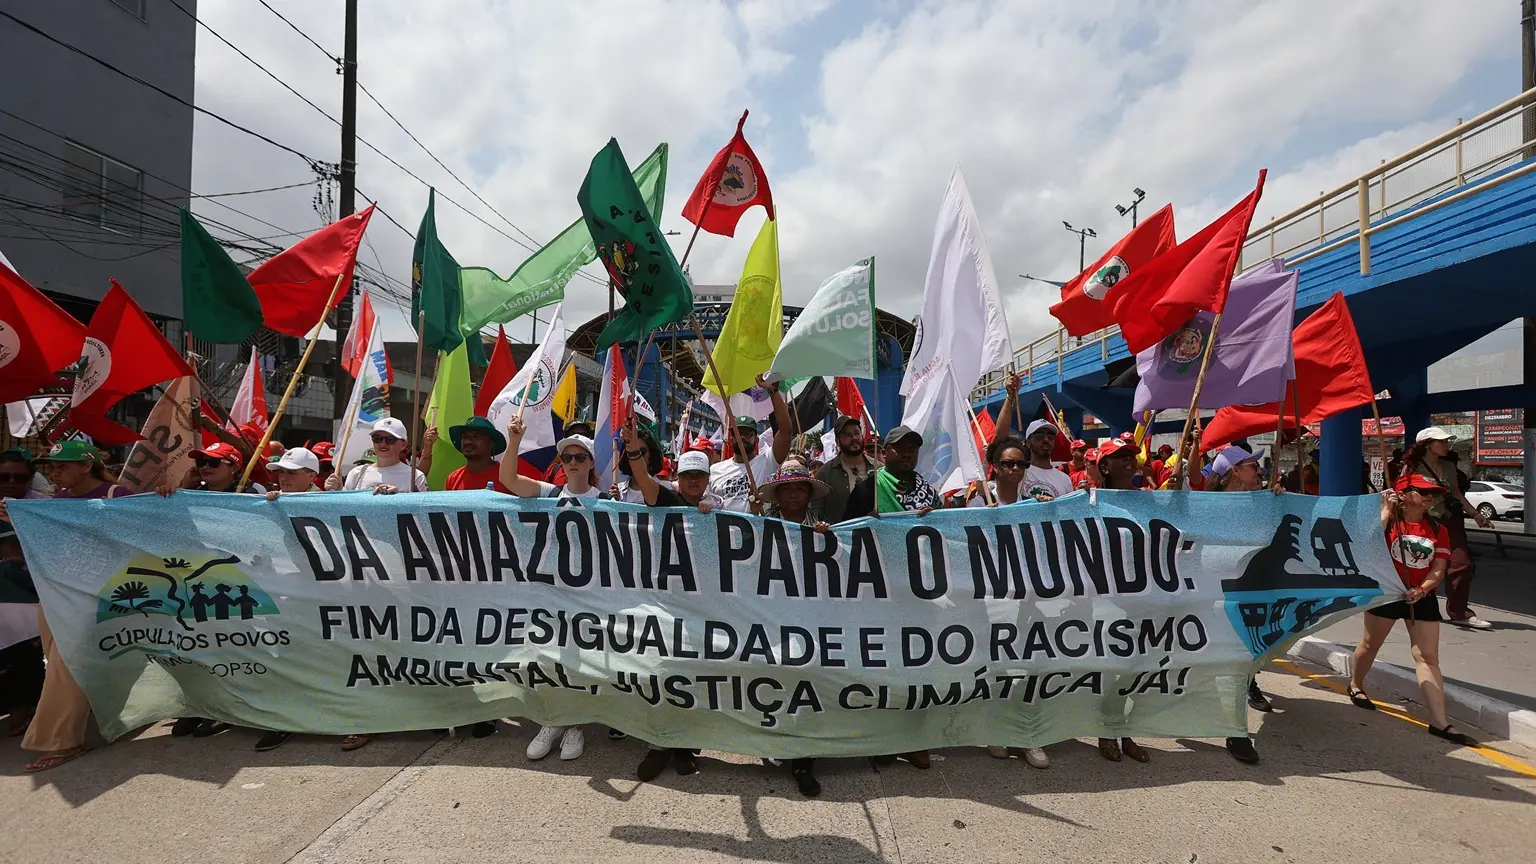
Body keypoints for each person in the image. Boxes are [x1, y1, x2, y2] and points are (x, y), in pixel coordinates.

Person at [10, 441, 127, 772]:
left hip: (95, 595)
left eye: (62, 466)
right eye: (52, 466)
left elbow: (140, 534)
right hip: (55, 592)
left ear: (86, 466)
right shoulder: (57, 501)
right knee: (57, 661)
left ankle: (63, 741)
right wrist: (21, 519)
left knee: (65, 664)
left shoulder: (115, 495)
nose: (54, 472)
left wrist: (163, 495)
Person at [501, 416, 608, 762]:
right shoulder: (550, 494)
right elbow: (508, 480)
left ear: (591, 462)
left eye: (580, 457)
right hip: (552, 593)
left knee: (582, 662)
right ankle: (553, 722)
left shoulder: (606, 500)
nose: (573, 463)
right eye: (567, 458)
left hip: (591, 594)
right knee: (550, 659)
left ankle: (575, 724)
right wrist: (514, 441)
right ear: (560, 464)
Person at [1347, 474, 1478, 747]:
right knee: (1370, 645)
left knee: (1427, 657)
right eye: (1423, 491)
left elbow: (1439, 567)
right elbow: (1364, 545)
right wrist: (1385, 510)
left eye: (1434, 493)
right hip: (1387, 591)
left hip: (1421, 595)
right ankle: (1356, 684)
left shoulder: (1438, 528)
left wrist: (1424, 589)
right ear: (1404, 495)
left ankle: (1440, 722)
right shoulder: (1389, 522)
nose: (1430, 497)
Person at [840, 426, 938, 770]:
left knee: (917, 665)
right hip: (879, 593)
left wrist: (934, 520)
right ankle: (884, 738)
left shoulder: (928, 491)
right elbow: (845, 538)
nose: (908, 453)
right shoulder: (869, 488)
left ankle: (914, 738)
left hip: (919, 593)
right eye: (901, 448)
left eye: (913, 448)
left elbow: (946, 534)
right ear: (885, 452)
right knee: (884, 665)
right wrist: (868, 524)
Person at [751, 464, 833, 797]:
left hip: (810, 617)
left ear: (809, 494)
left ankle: (804, 757)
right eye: (787, 489)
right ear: (778, 495)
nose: (794, 494)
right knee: (773, 678)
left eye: (800, 488)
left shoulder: (822, 530)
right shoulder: (762, 527)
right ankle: (776, 739)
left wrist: (829, 542)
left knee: (807, 680)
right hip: (770, 615)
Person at [1205, 445, 1278, 765]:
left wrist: (1282, 503)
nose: (1259, 471)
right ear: (1235, 471)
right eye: (1253, 466)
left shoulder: (1263, 501)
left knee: (1238, 662)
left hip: (1248, 596)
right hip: (1211, 595)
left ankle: (1236, 731)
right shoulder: (1205, 505)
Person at [1090, 437, 1151, 764]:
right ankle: (1106, 729)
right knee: (1113, 666)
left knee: (1135, 668)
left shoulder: (1148, 500)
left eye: (1131, 455)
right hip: (1105, 598)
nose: (1128, 460)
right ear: (1104, 466)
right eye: (1119, 456)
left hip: (1141, 597)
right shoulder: (1091, 501)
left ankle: (1126, 731)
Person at [1402, 427, 1492, 629]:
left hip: (1451, 519)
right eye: (1440, 441)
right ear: (1427, 444)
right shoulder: (1412, 467)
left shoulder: (1449, 466)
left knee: (1462, 564)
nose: (1445, 445)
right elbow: (1402, 492)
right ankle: (1409, 604)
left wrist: (1476, 515)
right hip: (1424, 521)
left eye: (1445, 441)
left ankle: (1459, 612)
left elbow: (1458, 494)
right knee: (1418, 564)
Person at [709, 376, 792, 513]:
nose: (743, 438)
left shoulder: (767, 461)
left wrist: (773, 392)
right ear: (731, 440)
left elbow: (786, 431)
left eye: (749, 434)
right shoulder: (716, 470)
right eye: (738, 433)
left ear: (757, 440)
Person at [328, 418, 429, 495]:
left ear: (403, 445)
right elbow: (345, 508)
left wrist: (398, 497)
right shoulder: (356, 473)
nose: (383, 443)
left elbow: (422, 513)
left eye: (390, 439)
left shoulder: (415, 476)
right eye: (377, 439)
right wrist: (337, 492)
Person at [815, 415, 876, 523]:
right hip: (840, 538)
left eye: (857, 433)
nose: (854, 438)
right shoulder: (825, 474)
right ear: (837, 442)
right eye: (847, 435)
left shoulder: (879, 468)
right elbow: (816, 513)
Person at [441, 416, 512, 493]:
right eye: (465, 437)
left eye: (476, 436)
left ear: (490, 444)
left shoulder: (507, 478)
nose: (468, 441)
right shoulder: (453, 478)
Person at [1021, 420, 1076, 501]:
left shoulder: (1065, 479)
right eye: (1039, 435)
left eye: (1051, 436)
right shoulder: (1019, 474)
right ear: (1028, 443)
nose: (1046, 440)